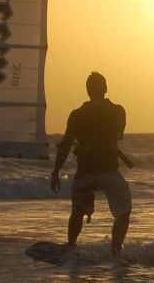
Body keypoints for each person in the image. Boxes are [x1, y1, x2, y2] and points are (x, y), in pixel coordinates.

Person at [50, 72, 131, 257]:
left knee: (77, 211)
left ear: (87, 91)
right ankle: (116, 251)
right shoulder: (118, 111)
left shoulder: (77, 115)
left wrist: (55, 172)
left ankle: (71, 245)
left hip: (86, 172)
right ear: (105, 89)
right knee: (123, 212)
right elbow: (118, 134)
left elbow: (65, 146)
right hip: (110, 172)